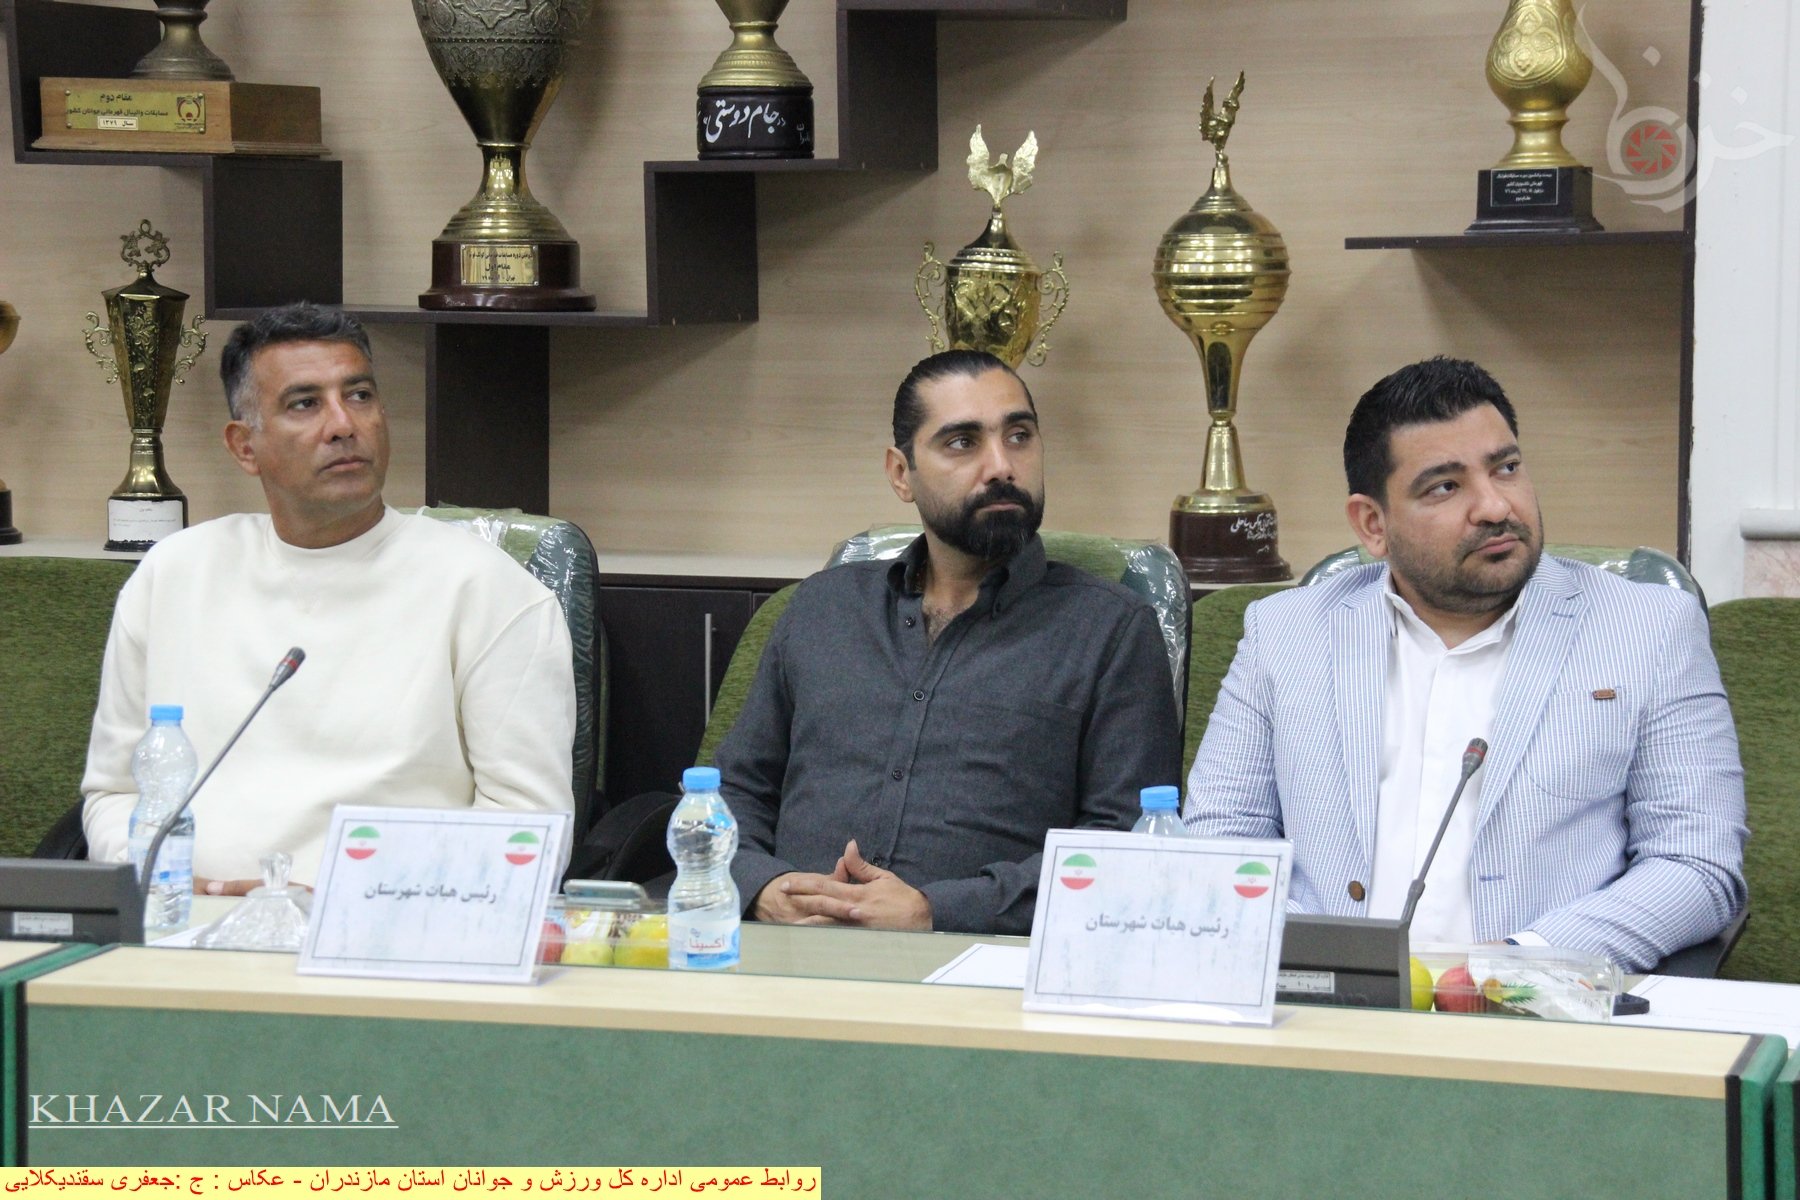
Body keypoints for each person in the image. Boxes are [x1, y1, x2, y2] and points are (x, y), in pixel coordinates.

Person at [1184, 357, 1747, 971]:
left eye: (1506, 468)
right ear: (1373, 525)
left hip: (1538, 1004)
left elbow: (1696, 863)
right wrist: (1317, 958)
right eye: (1445, 487)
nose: (1495, 506)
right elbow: (1221, 841)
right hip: (1322, 998)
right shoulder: (1286, 634)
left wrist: (1520, 963)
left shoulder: (1649, 629)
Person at [82, 303, 576, 893]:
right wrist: (175, 883)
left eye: (360, 396)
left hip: (385, 930)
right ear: (245, 447)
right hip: (187, 919)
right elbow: (115, 793)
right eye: (304, 403)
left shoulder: (489, 591)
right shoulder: (174, 573)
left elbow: (529, 829)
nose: (343, 424)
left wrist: (347, 906)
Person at [717, 349, 1182, 937]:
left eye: (1019, 436)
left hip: (980, 959)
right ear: (901, 473)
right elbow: (733, 790)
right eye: (962, 443)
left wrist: (937, 910)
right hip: (784, 950)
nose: (1001, 466)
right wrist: (761, 885)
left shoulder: (1110, 630)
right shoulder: (821, 608)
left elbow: (1126, 845)